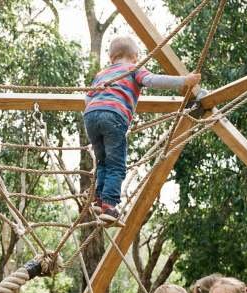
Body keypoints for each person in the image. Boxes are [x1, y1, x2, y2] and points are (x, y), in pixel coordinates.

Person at [85, 35, 200, 224]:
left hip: (90, 118)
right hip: (114, 116)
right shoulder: (133, 69)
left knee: (103, 161)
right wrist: (184, 81)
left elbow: (88, 99)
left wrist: (96, 109)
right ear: (136, 56)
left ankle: (98, 199)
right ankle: (109, 205)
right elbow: (153, 80)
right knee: (116, 163)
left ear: (111, 57)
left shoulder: (101, 74)